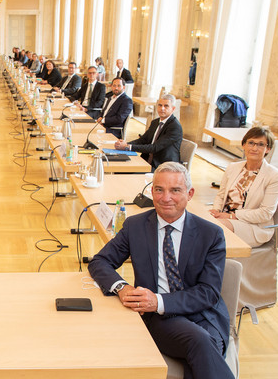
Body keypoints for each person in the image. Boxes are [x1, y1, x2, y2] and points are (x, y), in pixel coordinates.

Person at [88, 162, 233, 379]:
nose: (166, 198)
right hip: (161, 319)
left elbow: (209, 293)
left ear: (189, 193)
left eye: (175, 190)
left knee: (203, 344)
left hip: (204, 315)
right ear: (152, 191)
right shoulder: (135, 226)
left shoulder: (211, 234)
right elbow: (99, 262)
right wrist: (122, 287)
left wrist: (159, 300)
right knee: (200, 341)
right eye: (159, 189)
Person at [209, 127, 278, 247]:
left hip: (253, 227)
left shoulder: (275, 176)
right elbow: (221, 195)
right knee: (192, 222)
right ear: (244, 145)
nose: (255, 148)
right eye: (251, 143)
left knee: (212, 228)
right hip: (224, 217)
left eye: (260, 145)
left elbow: (265, 213)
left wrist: (231, 216)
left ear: (268, 149)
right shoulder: (233, 167)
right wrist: (216, 210)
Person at [115, 94, 182, 170]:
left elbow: (154, 148)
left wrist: (128, 147)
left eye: (166, 106)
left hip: (163, 166)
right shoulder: (155, 122)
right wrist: (125, 144)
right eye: (160, 105)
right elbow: (143, 140)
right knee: (120, 167)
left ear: (173, 109)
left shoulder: (175, 127)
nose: (162, 108)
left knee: (125, 172)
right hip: (147, 160)